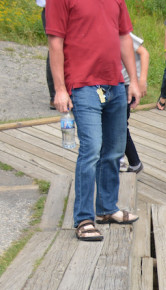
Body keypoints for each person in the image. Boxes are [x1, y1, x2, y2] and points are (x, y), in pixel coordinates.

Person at [47, 0, 141, 242]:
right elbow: (55, 43)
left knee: (114, 150)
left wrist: (133, 80)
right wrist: (59, 89)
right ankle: (84, 219)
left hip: (115, 83)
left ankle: (107, 209)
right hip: (82, 84)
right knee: (91, 150)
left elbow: (124, 36)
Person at [121, 32, 148, 174]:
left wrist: (141, 81)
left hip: (127, 84)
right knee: (116, 124)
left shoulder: (123, 33)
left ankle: (133, 162)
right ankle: (129, 161)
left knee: (119, 125)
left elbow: (144, 53)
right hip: (115, 83)